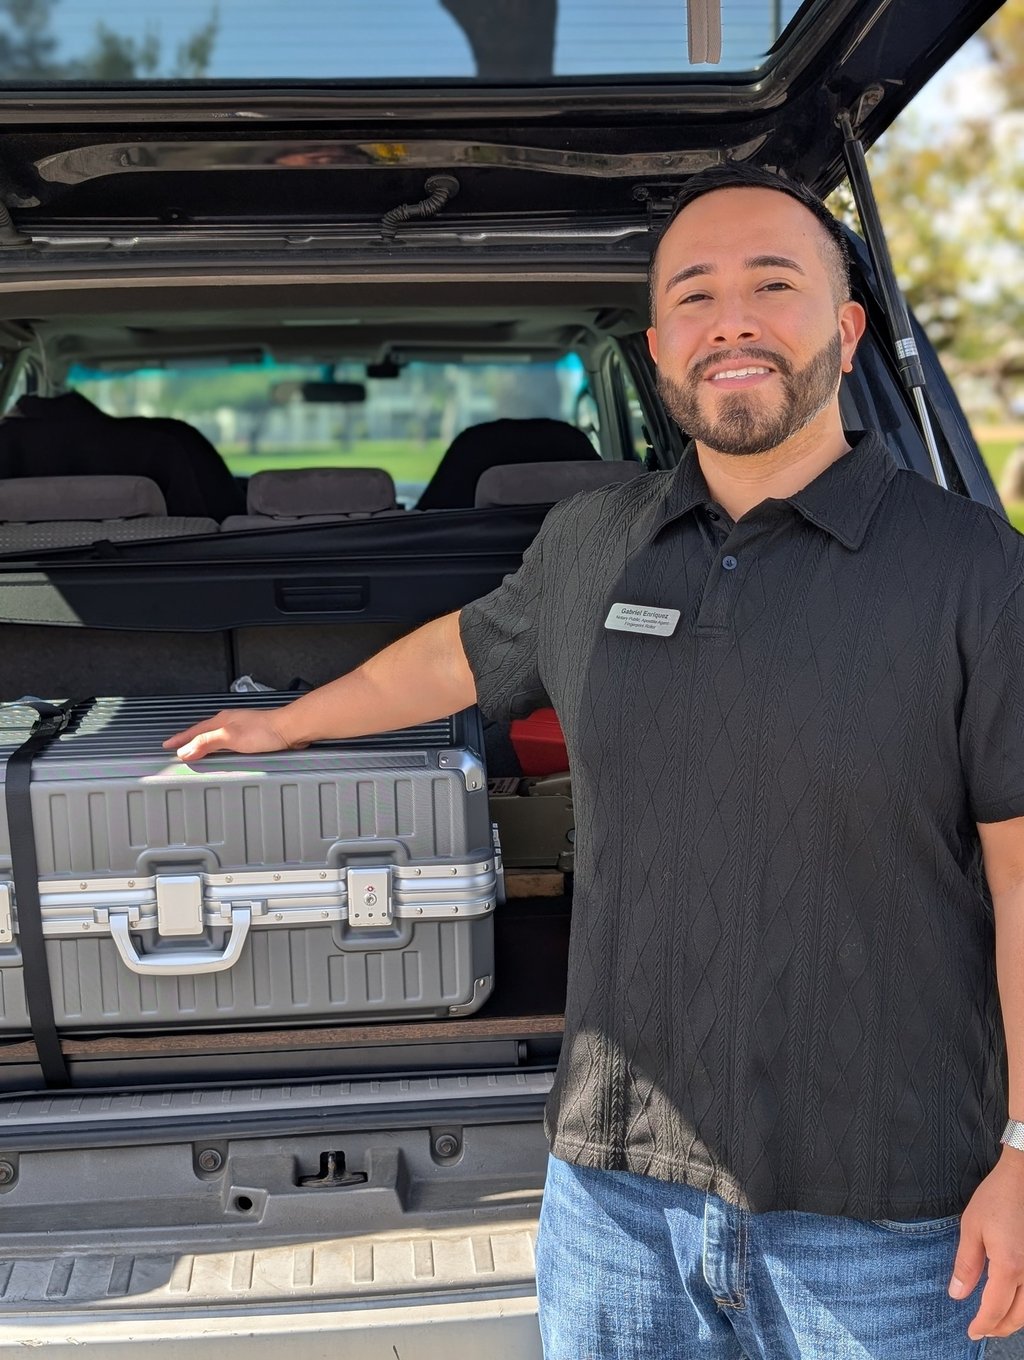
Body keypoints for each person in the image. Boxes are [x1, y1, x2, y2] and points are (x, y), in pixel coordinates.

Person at [164, 164, 1024, 1358]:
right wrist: (287, 718)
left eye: (772, 284)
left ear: (845, 326)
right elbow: (459, 655)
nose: (731, 319)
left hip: (888, 1224)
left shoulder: (974, 568)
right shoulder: (592, 543)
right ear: (659, 348)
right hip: (614, 1202)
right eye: (694, 295)